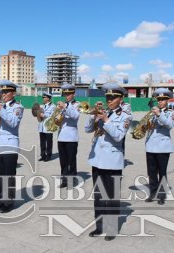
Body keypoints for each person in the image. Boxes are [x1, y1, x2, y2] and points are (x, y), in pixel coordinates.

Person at [85, 83, 130, 241]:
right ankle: (99, 226)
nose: (109, 100)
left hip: (112, 161)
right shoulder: (104, 112)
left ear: (121, 98)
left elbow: (118, 136)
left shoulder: (125, 116)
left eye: (113, 98)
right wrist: (93, 117)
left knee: (111, 196)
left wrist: (105, 120)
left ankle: (111, 228)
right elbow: (87, 129)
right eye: (108, 97)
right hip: (97, 159)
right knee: (98, 196)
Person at [0, 80, 24, 213]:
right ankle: (0, 201)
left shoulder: (18, 107)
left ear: (13, 93)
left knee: (8, 176)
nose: (4, 94)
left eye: (6, 92)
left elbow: (13, 123)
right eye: (2, 92)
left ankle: (8, 203)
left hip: (10, 145)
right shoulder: (1, 106)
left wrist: (0, 110)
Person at [144, 88, 174, 205]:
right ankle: (153, 193)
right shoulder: (152, 112)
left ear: (167, 101)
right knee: (151, 172)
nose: (160, 102)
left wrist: (159, 114)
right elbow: (148, 127)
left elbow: (169, 125)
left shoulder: (171, 112)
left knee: (162, 172)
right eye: (159, 100)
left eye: (163, 100)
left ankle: (162, 195)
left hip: (163, 147)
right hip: (150, 146)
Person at [56, 83, 80, 188]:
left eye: (69, 94)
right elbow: (57, 118)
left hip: (71, 137)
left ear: (73, 94)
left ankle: (72, 179)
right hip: (61, 136)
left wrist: (65, 107)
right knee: (63, 160)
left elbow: (75, 116)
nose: (67, 96)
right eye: (65, 94)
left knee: (71, 159)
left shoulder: (77, 105)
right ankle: (64, 179)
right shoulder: (62, 105)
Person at [38, 92, 56, 162]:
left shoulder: (53, 106)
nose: (43, 99)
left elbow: (53, 116)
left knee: (49, 142)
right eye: (43, 97)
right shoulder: (41, 106)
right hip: (41, 126)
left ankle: (48, 155)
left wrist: (44, 115)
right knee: (42, 142)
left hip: (48, 126)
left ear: (48, 98)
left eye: (44, 97)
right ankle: (43, 155)